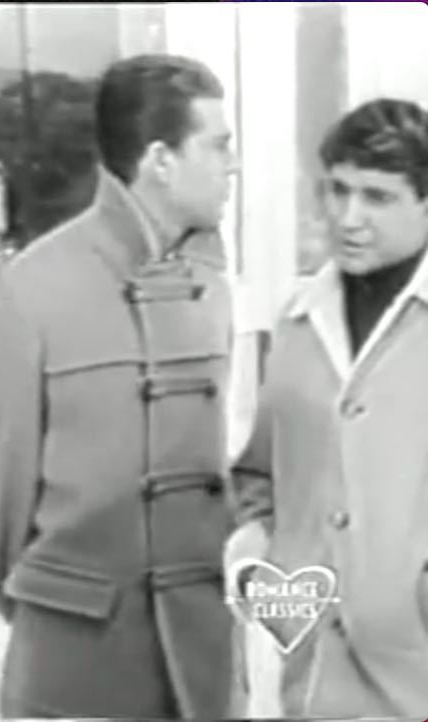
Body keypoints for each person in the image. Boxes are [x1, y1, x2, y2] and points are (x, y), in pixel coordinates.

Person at [0, 53, 240, 717]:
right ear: (161, 160)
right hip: (78, 656)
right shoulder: (33, 287)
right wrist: (47, 582)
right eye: (218, 145)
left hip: (203, 655)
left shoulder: (212, 286)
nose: (232, 166)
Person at [226, 98, 428, 717]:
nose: (348, 217)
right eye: (338, 191)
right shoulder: (297, 322)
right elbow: (258, 476)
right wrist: (262, 571)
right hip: (313, 679)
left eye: (377, 197)